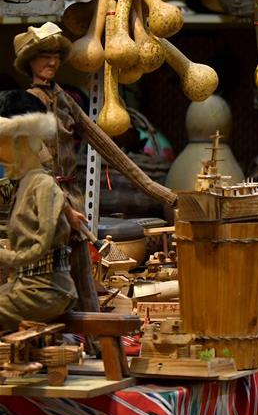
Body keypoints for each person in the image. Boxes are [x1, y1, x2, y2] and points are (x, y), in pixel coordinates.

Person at [12, 23, 177, 315]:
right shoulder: (26, 103)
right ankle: (55, 337)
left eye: (55, 56)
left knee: (83, 273)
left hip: (69, 194)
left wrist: (160, 192)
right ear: (30, 62)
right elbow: (39, 164)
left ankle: (93, 339)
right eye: (42, 56)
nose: (51, 62)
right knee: (46, 275)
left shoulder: (64, 100)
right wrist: (63, 209)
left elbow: (106, 146)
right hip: (40, 201)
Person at [0, 89, 77, 329]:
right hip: (21, 273)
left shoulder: (38, 172)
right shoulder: (24, 172)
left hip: (42, 284)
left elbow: (47, 189)